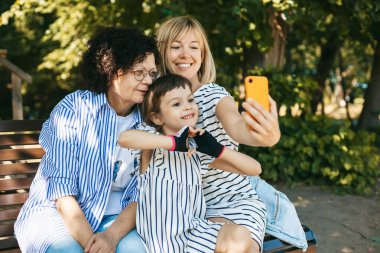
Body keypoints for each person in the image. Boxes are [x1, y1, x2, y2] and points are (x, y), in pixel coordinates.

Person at [156, 16, 308, 250]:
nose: (185, 54)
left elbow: (237, 126)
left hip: (232, 204)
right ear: (162, 53)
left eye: (194, 47)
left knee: (234, 243)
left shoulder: (214, 95)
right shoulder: (156, 103)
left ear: (203, 55)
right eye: (176, 47)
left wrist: (263, 136)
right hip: (185, 208)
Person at [14, 27, 159, 253]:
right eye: (138, 71)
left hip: (117, 221)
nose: (148, 80)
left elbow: (142, 193)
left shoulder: (149, 122)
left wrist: (110, 237)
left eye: (152, 73)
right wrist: (92, 244)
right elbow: (62, 194)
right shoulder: (74, 109)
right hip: (57, 216)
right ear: (112, 71)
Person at [118, 74, 266, 253]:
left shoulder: (196, 151)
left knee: (240, 235)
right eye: (176, 104)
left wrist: (218, 149)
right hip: (164, 241)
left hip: (194, 233)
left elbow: (254, 169)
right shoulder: (152, 144)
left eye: (190, 100)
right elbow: (125, 139)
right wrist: (173, 143)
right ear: (157, 118)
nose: (187, 106)